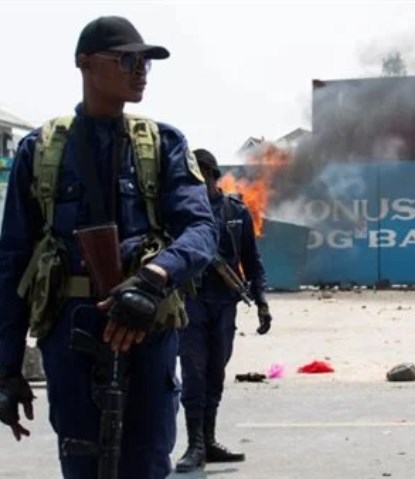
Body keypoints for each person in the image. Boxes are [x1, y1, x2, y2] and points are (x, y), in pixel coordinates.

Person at [0, 16, 217, 478]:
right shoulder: (39, 150)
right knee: (81, 461)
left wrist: (154, 278)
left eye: (145, 63)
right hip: (72, 326)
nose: (140, 71)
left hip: (147, 323)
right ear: (85, 64)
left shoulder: (163, 144)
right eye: (127, 60)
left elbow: (201, 229)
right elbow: (11, 260)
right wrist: (6, 367)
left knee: (146, 460)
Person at [176, 149, 272, 472]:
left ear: (215, 176)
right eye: (195, 175)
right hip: (191, 304)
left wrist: (262, 301)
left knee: (215, 374)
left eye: (206, 175)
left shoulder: (236, 211)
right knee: (193, 374)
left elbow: (251, 260)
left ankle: (209, 439)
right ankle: (195, 445)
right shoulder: (181, 214)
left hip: (224, 305)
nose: (201, 181)